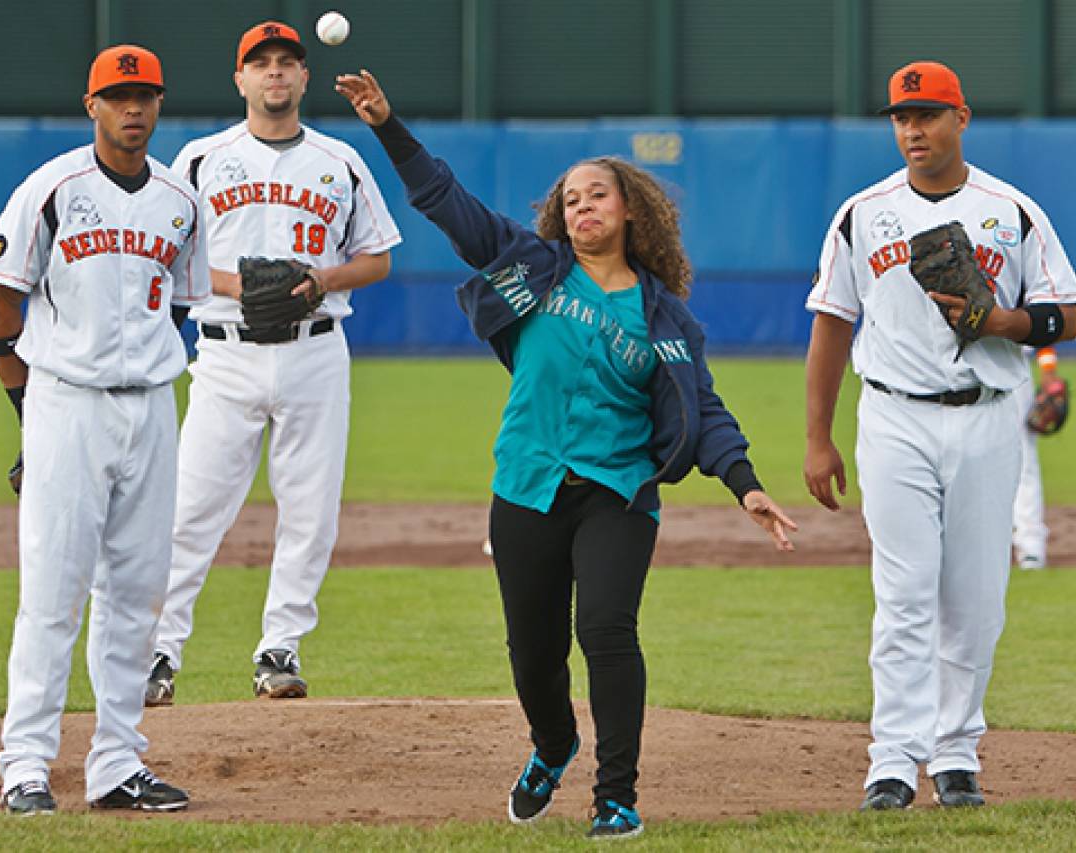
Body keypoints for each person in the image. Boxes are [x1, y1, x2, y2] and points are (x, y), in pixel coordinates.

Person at [335, 69, 797, 839]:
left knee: (608, 630)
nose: (582, 205)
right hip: (527, 482)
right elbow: (443, 200)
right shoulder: (532, 267)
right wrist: (388, 124)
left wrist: (744, 484)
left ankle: (616, 794)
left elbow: (703, 408)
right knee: (533, 654)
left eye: (598, 194)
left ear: (631, 211)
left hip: (617, 491)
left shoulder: (666, 317)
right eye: (571, 197)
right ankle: (554, 744)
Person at [803, 60, 1076, 811]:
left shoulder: (1012, 210)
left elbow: (1068, 314)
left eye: (927, 114)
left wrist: (1005, 323)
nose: (912, 129)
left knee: (976, 599)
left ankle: (956, 752)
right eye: (901, 117)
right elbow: (831, 322)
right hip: (893, 415)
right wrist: (817, 437)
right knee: (903, 595)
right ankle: (892, 762)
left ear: (962, 118)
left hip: (990, 414)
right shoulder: (863, 214)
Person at [0, 45, 209, 815]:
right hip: (66, 402)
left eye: (145, 95)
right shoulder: (51, 189)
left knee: (137, 591)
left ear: (159, 104)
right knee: (53, 587)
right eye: (119, 96)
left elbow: (177, 302)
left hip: (151, 406)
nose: (133, 109)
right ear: (93, 106)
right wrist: (27, 415)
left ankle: (116, 762)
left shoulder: (180, 198)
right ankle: (26, 765)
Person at [145, 22, 401, 706]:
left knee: (310, 510)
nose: (275, 74)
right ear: (241, 80)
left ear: (303, 78)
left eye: (287, 63)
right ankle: (157, 652)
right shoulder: (200, 160)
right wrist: (234, 286)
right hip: (224, 358)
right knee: (190, 510)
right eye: (261, 64)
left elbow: (377, 258)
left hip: (316, 351)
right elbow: (167, 259)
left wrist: (322, 280)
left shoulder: (339, 160)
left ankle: (279, 648)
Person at [1013, 346, 1063, 570]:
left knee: (1024, 459)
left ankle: (1030, 545)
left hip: (1012, 364)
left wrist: (1048, 371)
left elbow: (1040, 312)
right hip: (956, 367)